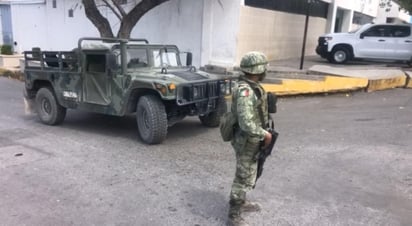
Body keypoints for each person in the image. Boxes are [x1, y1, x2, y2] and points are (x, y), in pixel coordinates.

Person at [227, 51, 272, 226]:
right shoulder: (246, 91)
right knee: (242, 177)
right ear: (257, 70)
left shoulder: (251, 85)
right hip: (247, 140)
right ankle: (233, 215)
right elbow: (246, 123)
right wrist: (265, 134)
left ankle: (242, 202)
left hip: (252, 139)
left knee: (250, 172)